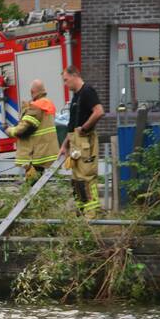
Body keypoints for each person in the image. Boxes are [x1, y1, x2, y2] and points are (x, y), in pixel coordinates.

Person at [60, 65, 104, 216]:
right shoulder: (76, 97)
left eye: (66, 80)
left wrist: (84, 128)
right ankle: (82, 211)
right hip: (75, 143)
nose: (65, 84)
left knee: (87, 177)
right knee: (76, 178)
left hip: (85, 142)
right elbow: (72, 125)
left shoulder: (87, 91)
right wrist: (65, 144)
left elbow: (99, 112)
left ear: (74, 75)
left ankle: (92, 213)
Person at [7, 79, 59, 182]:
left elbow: (24, 129)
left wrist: (9, 130)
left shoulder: (36, 107)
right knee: (38, 186)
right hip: (46, 152)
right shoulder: (47, 104)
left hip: (37, 154)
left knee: (32, 187)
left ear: (32, 92)